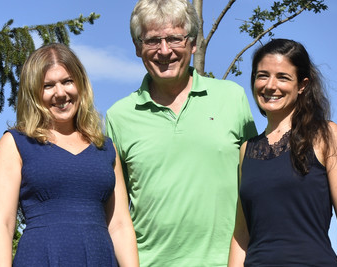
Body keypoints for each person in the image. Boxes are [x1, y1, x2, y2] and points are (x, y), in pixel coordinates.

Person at [105, 0, 257, 266]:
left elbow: (257, 189)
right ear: (137, 47)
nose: (165, 51)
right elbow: (117, 216)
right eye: (152, 41)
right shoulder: (118, 116)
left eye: (175, 38)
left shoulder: (233, 98)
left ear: (193, 42)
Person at [0, 43, 139, 267]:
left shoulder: (105, 148)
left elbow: (119, 224)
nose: (60, 93)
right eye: (48, 85)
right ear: (33, 92)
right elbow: (3, 225)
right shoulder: (16, 143)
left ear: (80, 84)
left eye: (67, 81)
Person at [228, 38, 337, 266]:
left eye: (283, 77)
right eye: (262, 75)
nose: (270, 85)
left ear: (302, 85)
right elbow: (241, 234)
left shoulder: (326, 135)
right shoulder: (246, 150)